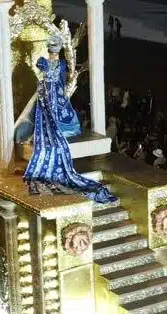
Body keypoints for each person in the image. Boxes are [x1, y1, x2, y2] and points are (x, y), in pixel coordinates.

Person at [20, 33, 115, 203]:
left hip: (55, 90)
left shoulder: (59, 63)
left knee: (63, 110)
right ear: (49, 52)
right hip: (48, 92)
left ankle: (60, 127)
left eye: (55, 53)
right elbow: (40, 70)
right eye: (52, 53)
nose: (54, 56)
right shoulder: (44, 62)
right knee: (48, 114)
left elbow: (61, 78)